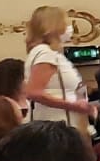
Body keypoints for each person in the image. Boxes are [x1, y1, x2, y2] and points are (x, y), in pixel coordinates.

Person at [21, 7, 90, 136]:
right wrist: (74, 105)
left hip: (61, 126)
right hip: (55, 130)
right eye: (64, 23)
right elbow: (34, 92)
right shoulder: (45, 53)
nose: (68, 27)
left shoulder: (46, 53)